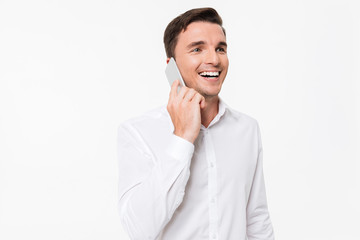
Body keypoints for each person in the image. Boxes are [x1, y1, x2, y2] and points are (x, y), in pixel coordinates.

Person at [117, 7, 274, 240]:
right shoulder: (138, 132)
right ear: (172, 66)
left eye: (220, 48)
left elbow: (256, 219)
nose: (213, 59)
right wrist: (182, 138)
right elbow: (138, 230)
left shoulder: (247, 129)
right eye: (197, 49)